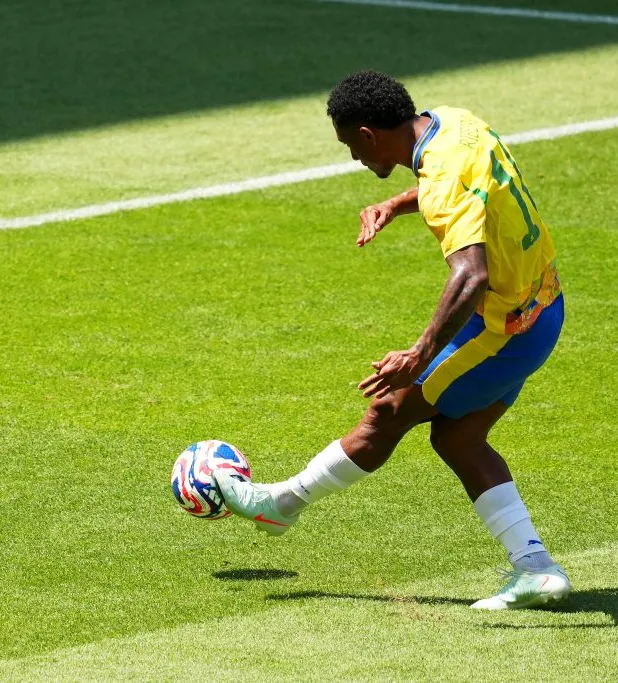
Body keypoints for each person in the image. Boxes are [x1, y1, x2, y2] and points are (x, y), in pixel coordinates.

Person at [214, 70, 568, 610]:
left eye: (350, 145)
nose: (354, 158)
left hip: (504, 327)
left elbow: (469, 275)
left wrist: (419, 354)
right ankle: (536, 569)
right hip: (543, 304)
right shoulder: (455, 123)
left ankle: (281, 504)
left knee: (389, 410)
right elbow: (470, 187)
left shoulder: (441, 171)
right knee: (458, 439)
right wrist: (397, 205)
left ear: (368, 133)